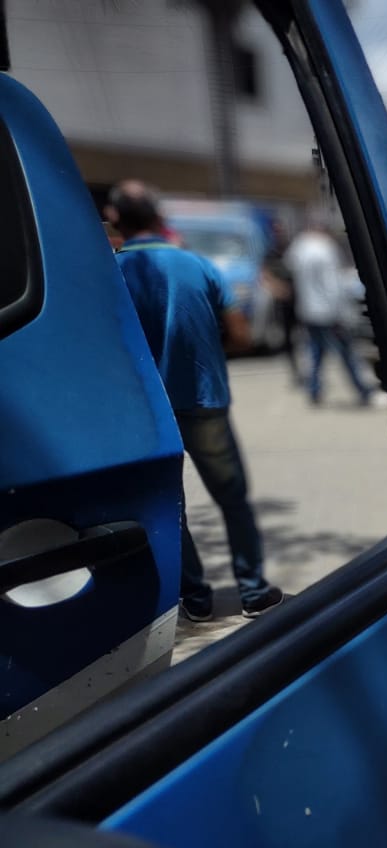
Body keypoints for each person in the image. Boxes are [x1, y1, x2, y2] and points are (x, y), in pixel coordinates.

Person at [108, 181, 283, 621]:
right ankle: (254, 591)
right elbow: (241, 335)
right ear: (159, 219)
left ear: (117, 222)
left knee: (173, 503)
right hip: (205, 399)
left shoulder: (110, 273)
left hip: (147, 408)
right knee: (233, 498)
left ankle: (196, 598)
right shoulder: (197, 264)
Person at [285, 218, 374, 407]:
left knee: (316, 351)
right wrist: (343, 313)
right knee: (346, 352)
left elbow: (290, 268)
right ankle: (362, 389)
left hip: (308, 310)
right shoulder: (325, 250)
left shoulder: (299, 248)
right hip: (329, 311)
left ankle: (314, 389)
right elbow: (332, 285)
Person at [260, 219, 303, 388]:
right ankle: (295, 372)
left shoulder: (292, 250)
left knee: (304, 339)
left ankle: (310, 372)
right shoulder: (271, 254)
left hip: (299, 301)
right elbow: (265, 276)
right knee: (287, 339)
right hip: (283, 303)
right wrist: (279, 289)